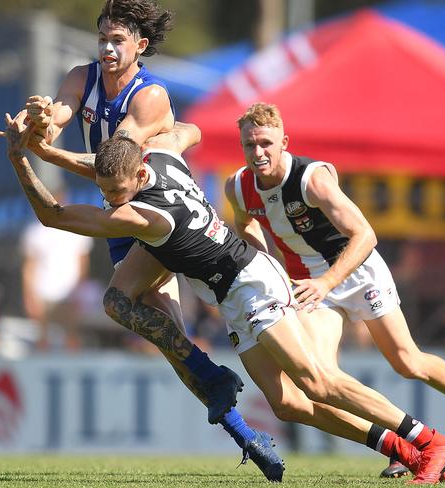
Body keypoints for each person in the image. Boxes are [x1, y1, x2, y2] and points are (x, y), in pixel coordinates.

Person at [2, 111, 445, 484]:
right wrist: (54, 150)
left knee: (318, 381)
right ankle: (400, 448)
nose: (109, 202)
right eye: (104, 193)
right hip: (232, 291)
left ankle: (431, 441)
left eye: (115, 193)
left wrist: (21, 158)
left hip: (249, 282)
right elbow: (188, 130)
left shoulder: (143, 216)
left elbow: (54, 215)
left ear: (140, 174)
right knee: (288, 404)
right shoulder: (160, 153)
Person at [20, 1, 282, 479]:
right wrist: (40, 120)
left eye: (116, 41)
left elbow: (112, 163)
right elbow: (60, 113)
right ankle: (246, 434)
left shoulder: (150, 97)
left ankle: (227, 387)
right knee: (175, 346)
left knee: (126, 308)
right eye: (101, 39)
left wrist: (41, 151)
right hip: (123, 217)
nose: (106, 48)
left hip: (161, 215)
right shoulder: (83, 76)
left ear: (140, 46)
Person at [224, 102, 445, 477]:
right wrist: (267, 262)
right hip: (308, 285)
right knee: (319, 380)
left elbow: (365, 236)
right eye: (249, 145)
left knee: (407, 361)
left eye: (266, 144)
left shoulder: (312, 179)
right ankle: (405, 444)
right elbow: (246, 224)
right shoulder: (238, 187)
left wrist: (327, 282)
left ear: (284, 142)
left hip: (355, 270)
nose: (258, 153)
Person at [20, 187, 94, 351]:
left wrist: (79, 291)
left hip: (69, 293)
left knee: (72, 336)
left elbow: (83, 262)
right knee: (42, 338)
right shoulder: (35, 231)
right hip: (43, 293)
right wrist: (30, 296)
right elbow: (29, 267)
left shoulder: (77, 228)